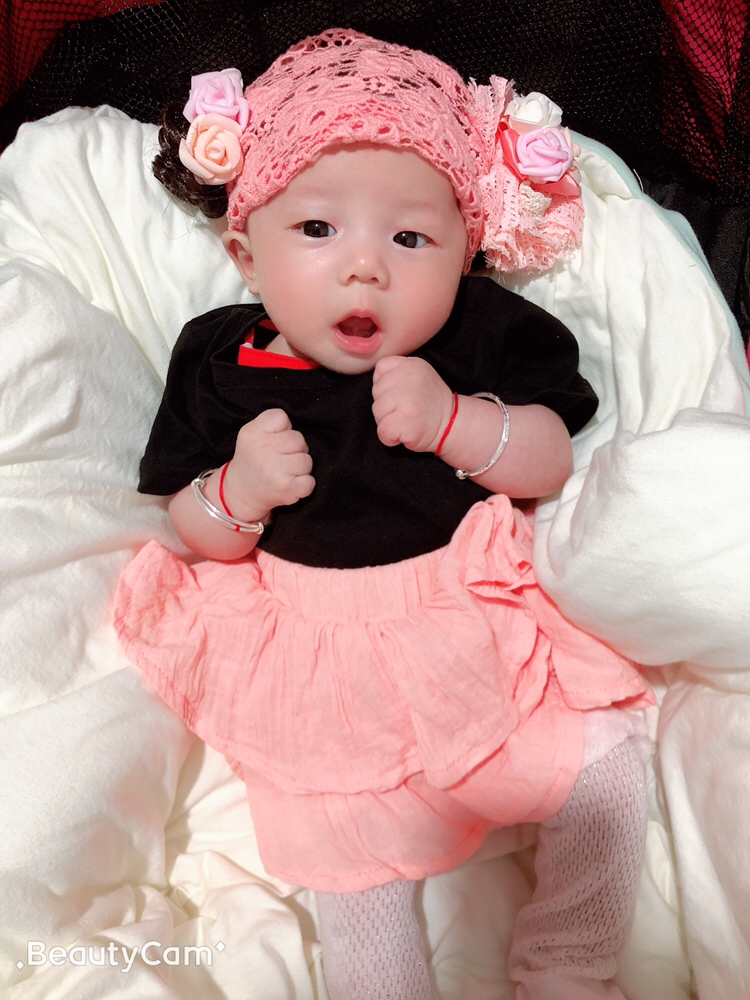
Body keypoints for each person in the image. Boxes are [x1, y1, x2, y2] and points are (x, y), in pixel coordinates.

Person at [114, 28, 653, 1000]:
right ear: (245, 251)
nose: (365, 267)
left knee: (606, 770)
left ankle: (568, 962)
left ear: (464, 254)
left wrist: (457, 423)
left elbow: (550, 456)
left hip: (469, 615)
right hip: (313, 649)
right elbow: (191, 532)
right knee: (348, 857)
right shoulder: (221, 358)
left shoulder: (477, 332)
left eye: (410, 239)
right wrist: (237, 490)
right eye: (318, 229)